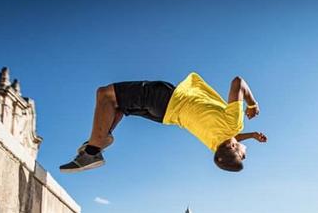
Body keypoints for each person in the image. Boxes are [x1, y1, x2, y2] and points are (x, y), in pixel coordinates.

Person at [60, 73, 267, 173]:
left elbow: (238, 82)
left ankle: (93, 150)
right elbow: (232, 140)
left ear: (231, 146)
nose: (245, 154)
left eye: (241, 155)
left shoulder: (234, 124)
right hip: (164, 116)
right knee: (118, 106)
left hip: (166, 98)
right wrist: (252, 136)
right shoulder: (215, 143)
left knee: (105, 94)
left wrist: (252, 104)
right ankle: (101, 140)